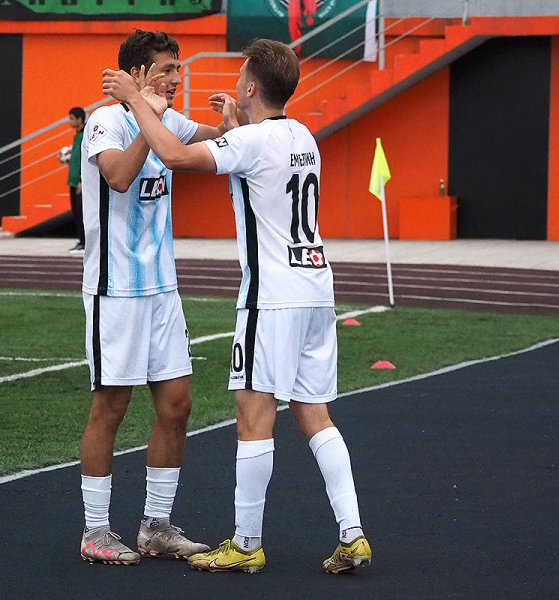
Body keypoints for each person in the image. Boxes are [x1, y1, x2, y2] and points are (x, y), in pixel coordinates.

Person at [102, 38, 372, 574]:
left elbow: (175, 155)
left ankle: (246, 543)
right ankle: (353, 533)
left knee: (253, 418)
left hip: (270, 297)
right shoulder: (303, 136)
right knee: (316, 414)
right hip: (316, 287)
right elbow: (253, 161)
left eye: (240, 76)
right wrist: (233, 125)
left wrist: (134, 98)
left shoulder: (252, 140)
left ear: (250, 87)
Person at [77, 29, 232, 565]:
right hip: (116, 290)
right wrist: (147, 117)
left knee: (177, 404)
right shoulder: (104, 121)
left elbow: (216, 140)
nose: (177, 78)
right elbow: (119, 177)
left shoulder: (170, 119)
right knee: (111, 407)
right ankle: (95, 531)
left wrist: (233, 120)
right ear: (138, 74)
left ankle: (155, 526)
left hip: (162, 288)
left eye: (178, 68)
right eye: (167, 69)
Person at [64, 106, 86, 253]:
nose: (69, 121)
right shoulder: (77, 136)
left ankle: (85, 242)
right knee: (76, 213)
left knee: (82, 213)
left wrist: (82, 181)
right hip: (72, 181)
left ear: (79, 119)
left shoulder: (84, 135)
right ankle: (81, 240)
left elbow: (85, 159)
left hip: (79, 182)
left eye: (72, 118)